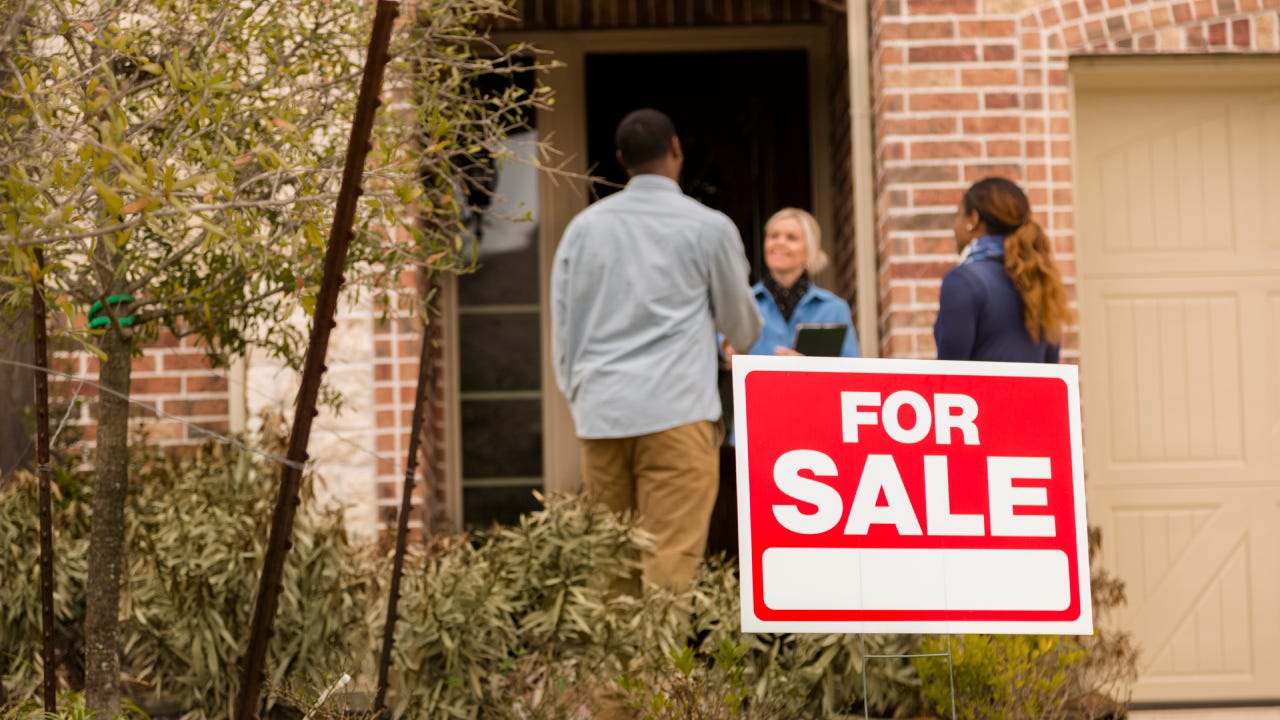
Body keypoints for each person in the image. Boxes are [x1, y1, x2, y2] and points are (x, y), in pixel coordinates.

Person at [550, 108, 762, 593]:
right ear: (677, 150)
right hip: (677, 411)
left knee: (609, 566)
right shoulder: (708, 227)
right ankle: (660, 673)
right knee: (671, 563)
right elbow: (742, 326)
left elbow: (564, 327)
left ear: (621, 159)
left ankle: (611, 671)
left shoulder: (584, 229)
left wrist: (579, 396)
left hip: (603, 414)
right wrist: (733, 339)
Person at [934, 176, 1068, 363]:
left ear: (973, 219)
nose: (955, 227)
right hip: (1030, 393)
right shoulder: (1039, 278)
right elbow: (1050, 370)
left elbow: (949, 376)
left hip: (979, 393)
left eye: (958, 215)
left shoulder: (964, 281)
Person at [721, 207, 860, 361]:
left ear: (810, 249)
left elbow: (851, 371)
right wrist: (727, 350)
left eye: (791, 238)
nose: (779, 243)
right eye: (773, 236)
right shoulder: (742, 303)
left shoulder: (834, 309)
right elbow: (719, 348)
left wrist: (808, 368)